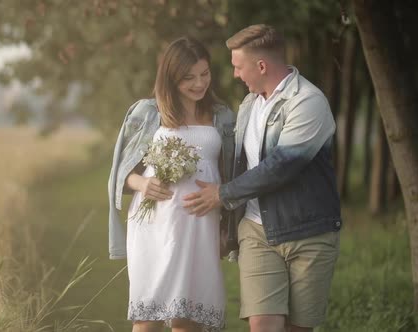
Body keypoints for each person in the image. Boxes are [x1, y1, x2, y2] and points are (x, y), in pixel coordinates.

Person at [183, 24, 341, 332]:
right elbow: (239, 163)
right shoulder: (248, 106)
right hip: (256, 231)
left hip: (307, 232)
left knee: (297, 328)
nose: (235, 75)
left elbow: (282, 166)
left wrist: (223, 193)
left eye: (238, 67)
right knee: (263, 326)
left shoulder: (308, 101)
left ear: (261, 65)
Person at [107, 36, 236, 332]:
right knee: (148, 317)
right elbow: (121, 172)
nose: (199, 83)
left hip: (201, 224)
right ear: (170, 77)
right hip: (156, 222)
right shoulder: (148, 112)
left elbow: (230, 174)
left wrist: (227, 223)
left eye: (205, 74)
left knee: (186, 318)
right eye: (189, 77)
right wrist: (143, 183)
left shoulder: (222, 116)